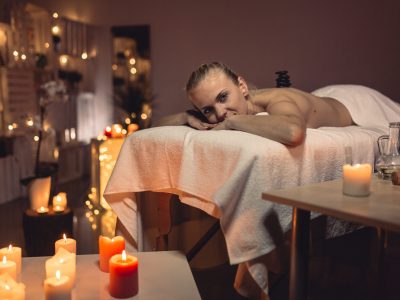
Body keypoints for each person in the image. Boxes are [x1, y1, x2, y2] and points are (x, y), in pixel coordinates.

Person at [153, 62, 354, 146]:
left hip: (352, 102)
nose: (220, 113)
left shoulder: (276, 99)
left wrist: (234, 122)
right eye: (208, 110)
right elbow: (152, 127)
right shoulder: (219, 111)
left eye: (223, 97)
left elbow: (294, 132)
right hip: (318, 98)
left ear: (242, 86)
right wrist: (185, 116)